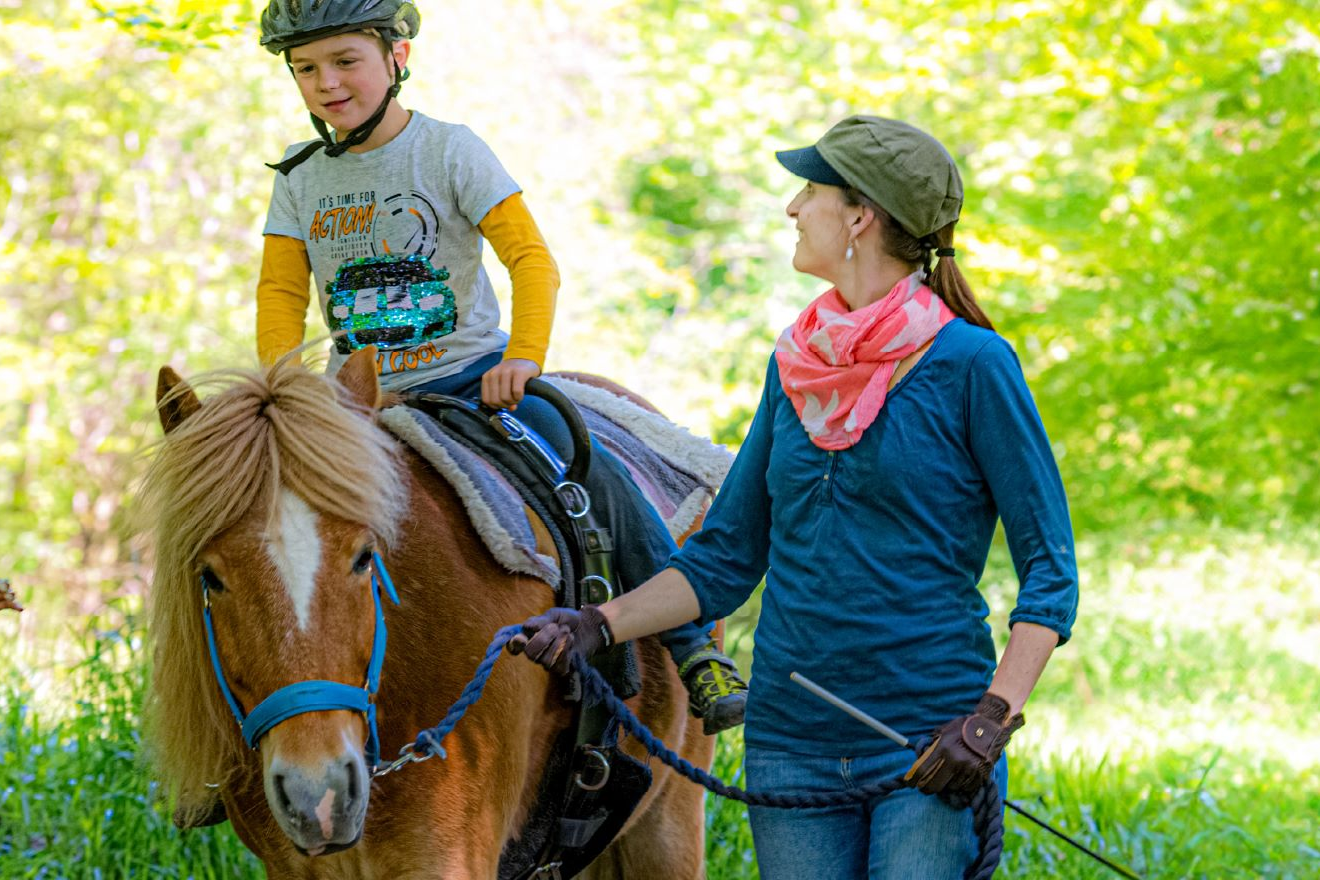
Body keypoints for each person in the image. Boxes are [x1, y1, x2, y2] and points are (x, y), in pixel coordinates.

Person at [509, 116, 1079, 879]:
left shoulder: (974, 364)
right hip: (790, 745)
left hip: (928, 742)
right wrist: (595, 624)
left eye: (810, 190)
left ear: (860, 216)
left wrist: (989, 721)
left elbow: (1051, 571)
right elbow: (725, 557)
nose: (793, 207)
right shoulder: (795, 364)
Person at [251, 0, 746, 734]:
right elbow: (281, 295)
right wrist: (289, 395)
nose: (326, 83)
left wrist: (522, 359)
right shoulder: (299, 177)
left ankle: (691, 645)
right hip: (353, 404)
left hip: (471, 381)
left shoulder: (449, 150)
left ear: (396, 58)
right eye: (305, 68)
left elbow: (531, 261)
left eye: (345, 61)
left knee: (590, 470)